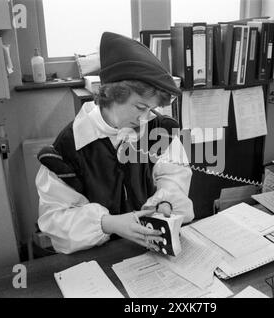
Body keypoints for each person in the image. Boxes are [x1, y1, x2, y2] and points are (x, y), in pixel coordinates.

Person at [35, 32, 194, 254]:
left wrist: (166, 203)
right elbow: (55, 220)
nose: (145, 118)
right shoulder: (66, 151)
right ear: (112, 95)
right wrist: (108, 223)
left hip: (150, 249)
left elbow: (173, 177)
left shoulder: (160, 130)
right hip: (96, 258)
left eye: (151, 109)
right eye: (139, 107)